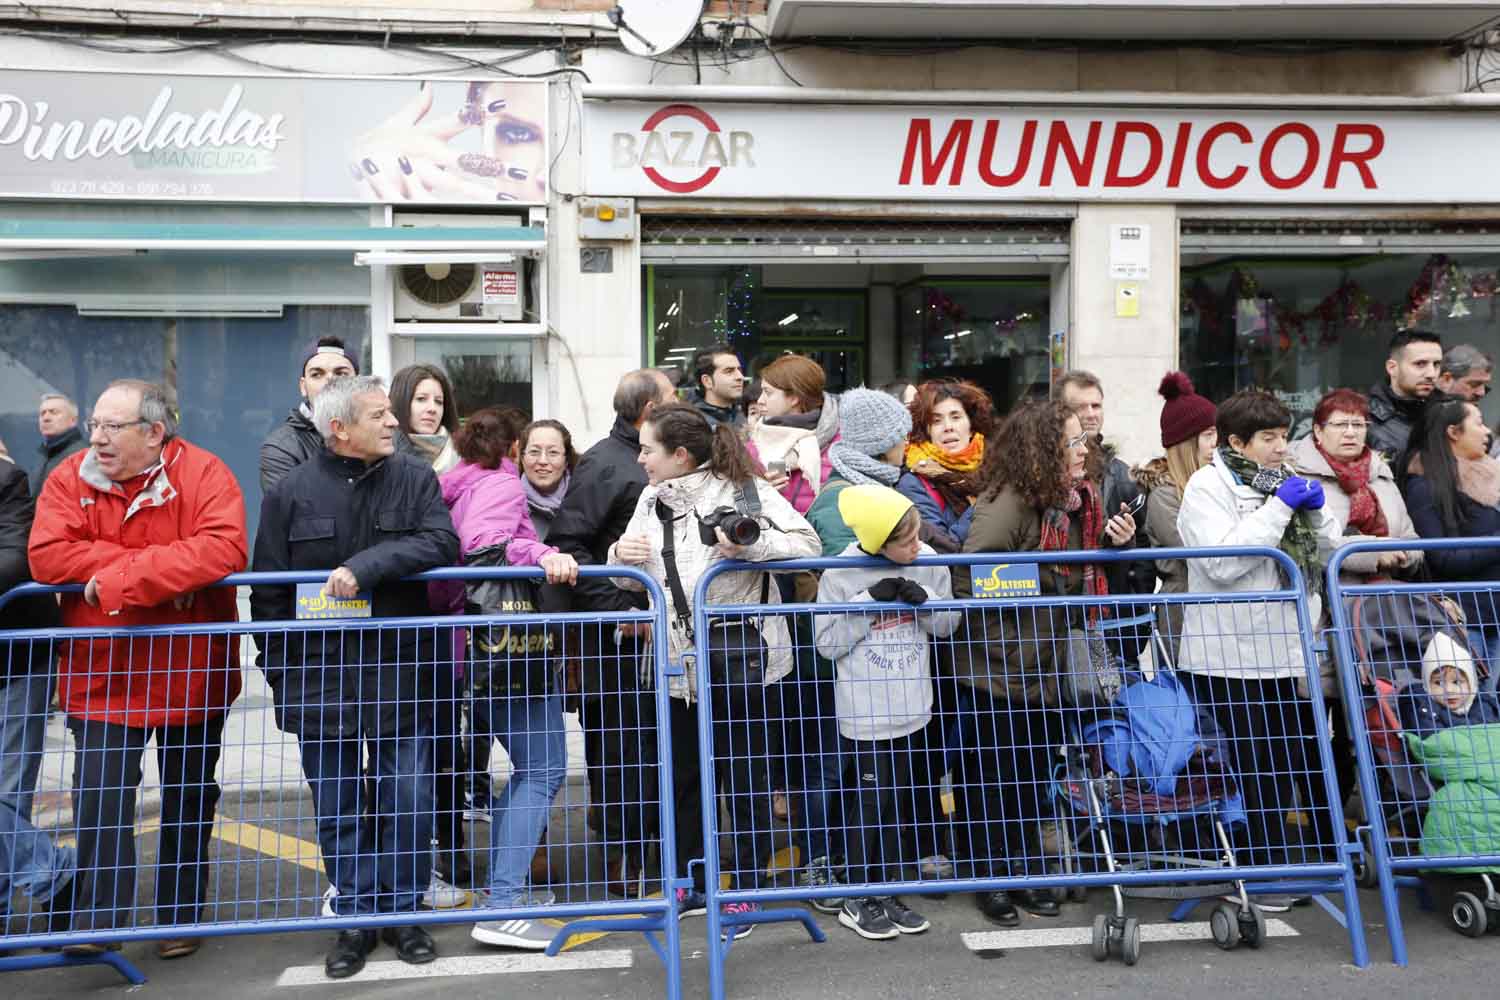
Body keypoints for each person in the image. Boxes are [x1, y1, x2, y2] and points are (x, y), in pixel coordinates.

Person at [29, 379, 247, 960]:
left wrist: (119, 582)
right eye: (95, 424)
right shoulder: (68, 476)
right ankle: (99, 921)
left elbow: (223, 549)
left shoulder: (204, 473)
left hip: (191, 672)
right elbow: (48, 555)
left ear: (154, 433)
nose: (95, 438)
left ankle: (178, 917)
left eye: (110, 427)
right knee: (99, 802)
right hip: (103, 676)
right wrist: (157, 576)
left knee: (189, 797)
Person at [250, 375, 459, 979]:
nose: (395, 423)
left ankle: (402, 914)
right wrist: (282, 677)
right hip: (320, 681)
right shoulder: (289, 492)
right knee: (339, 810)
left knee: (411, 802)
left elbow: (441, 540)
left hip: (399, 675)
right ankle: (354, 919)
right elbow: (269, 598)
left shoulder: (415, 478)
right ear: (339, 428)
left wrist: (366, 566)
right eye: (380, 416)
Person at [608, 402, 820, 939]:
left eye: (648, 449)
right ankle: (686, 884)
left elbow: (808, 546)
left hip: (749, 666)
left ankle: (744, 891)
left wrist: (750, 549)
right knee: (681, 780)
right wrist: (619, 556)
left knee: (746, 781)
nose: (641, 459)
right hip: (676, 668)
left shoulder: (747, 491)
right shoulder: (652, 498)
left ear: (680, 455)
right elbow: (631, 582)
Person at [954, 399, 1135, 926]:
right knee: (991, 777)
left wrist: (1109, 547)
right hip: (1000, 670)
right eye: (1073, 442)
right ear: (1042, 451)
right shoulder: (1006, 503)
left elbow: (1072, 579)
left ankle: (1025, 870)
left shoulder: (1078, 504)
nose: (1085, 451)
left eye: (1084, 441)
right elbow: (972, 585)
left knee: (1033, 775)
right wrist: (1013, 651)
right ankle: (991, 878)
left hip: (1048, 669)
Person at [1175, 388, 1342, 888]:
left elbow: (1329, 544)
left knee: (1283, 759)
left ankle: (1271, 864)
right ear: (1236, 442)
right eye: (1268, 438)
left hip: (1284, 650)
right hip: (1229, 655)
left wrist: (1312, 509)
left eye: (1283, 436)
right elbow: (1222, 562)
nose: (1280, 447)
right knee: (1252, 765)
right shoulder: (1207, 487)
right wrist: (1278, 511)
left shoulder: (1280, 479)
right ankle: (1259, 871)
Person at [433, 407, 579, 951]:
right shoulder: (499, 485)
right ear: (514, 448)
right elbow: (484, 545)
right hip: (506, 655)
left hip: (468, 650)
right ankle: (505, 903)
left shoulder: (457, 484)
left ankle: (505, 893)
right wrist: (541, 551)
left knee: (524, 772)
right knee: (542, 769)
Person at [542, 369, 677, 897]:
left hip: (660, 637)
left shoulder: (665, 458)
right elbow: (569, 546)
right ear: (646, 409)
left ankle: (663, 850)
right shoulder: (604, 463)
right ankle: (625, 859)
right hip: (617, 642)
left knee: (660, 748)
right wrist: (619, 606)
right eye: (670, 398)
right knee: (622, 751)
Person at [813, 485, 959, 941]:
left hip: (913, 705)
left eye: (918, 537)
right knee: (872, 800)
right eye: (906, 541)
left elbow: (948, 624)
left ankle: (889, 888)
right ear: (878, 543)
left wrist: (923, 601)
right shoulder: (839, 576)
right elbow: (827, 645)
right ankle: (858, 893)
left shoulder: (927, 560)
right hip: (866, 710)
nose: (917, 547)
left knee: (898, 800)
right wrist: (866, 604)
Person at [0, 449, 73, 935]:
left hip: (16, 662)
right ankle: (53, 870)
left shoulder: (7, 478)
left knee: (8, 792)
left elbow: (15, 560)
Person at [1399, 395, 1500, 668]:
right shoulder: (1424, 485)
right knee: (1472, 700)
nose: (1487, 431)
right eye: (1478, 423)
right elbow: (1442, 558)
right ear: (1453, 432)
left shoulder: (1492, 474)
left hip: (1495, 611)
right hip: (1463, 616)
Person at [1291, 388, 1423, 587]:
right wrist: (1372, 554)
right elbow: (1303, 547)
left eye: (1359, 425)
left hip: (1384, 595)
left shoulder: (1380, 475)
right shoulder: (1296, 474)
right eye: (1341, 425)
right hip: (1323, 599)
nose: (1351, 433)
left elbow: (1411, 539)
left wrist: (1403, 554)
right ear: (1318, 431)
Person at [1134, 372, 1218, 658]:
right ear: (1186, 442)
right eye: (1208, 435)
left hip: (1218, 609)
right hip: (1185, 611)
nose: (1217, 443)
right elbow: (1197, 552)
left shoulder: (1219, 482)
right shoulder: (1165, 495)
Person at [1056, 370, 1155, 607]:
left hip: (1113, 611)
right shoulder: (1040, 471)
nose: (1090, 414)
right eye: (1080, 407)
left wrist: (1134, 607)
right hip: (1060, 609)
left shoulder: (1122, 474)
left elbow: (1143, 545)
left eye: (1096, 406)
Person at [807, 387, 913, 555]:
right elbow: (845, 567)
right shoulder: (839, 498)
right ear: (883, 444)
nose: (906, 443)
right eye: (902, 435)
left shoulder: (873, 483)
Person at [896, 380, 995, 552]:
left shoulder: (998, 469)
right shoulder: (914, 483)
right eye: (936, 421)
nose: (948, 427)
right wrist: (984, 502)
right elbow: (941, 548)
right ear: (926, 431)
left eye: (956, 417)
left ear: (971, 426)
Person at [260, 335, 359, 492]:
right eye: (317, 374)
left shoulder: (385, 434)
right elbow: (291, 511)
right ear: (303, 386)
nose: (330, 381)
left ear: (358, 383)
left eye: (341, 373)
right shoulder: (283, 447)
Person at [747, 355, 840, 514]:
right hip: (775, 535)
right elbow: (737, 503)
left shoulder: (840, 444)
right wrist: (759, 493)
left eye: (768, 393)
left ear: (794, 398)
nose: (760, 400)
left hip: (826, 535)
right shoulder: (753, 444)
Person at [1368, 329, 1443, 461]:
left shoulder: (1448, 411)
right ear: (1392, 368)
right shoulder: (1364, 419)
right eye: (1420, 364)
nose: (1431, 374)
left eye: (1436, 364)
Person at [390, 364, 460, 474]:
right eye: (421, 399)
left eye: (439, 401)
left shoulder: (463, 456)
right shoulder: (380, 456)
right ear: (401, 402)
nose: (432, 409)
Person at [519, 419, 578, 541]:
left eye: (553, 452)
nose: (543, 461)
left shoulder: (585, 501)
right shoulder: (509, 503)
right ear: (522, 458)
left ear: (566, 460)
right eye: (534, 452)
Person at [33, 393, 86, 491]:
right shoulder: (44, 455)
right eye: (42, 413)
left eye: (54, 412)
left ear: (73, 420)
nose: (46, 418)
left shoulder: (83, 456)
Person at [689, 343, 747, 431]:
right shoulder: (693, 425)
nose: (740, 377)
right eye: (729, 371)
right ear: (707, 381)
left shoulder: (746, 416)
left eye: (739, 370)